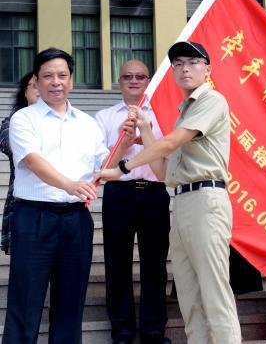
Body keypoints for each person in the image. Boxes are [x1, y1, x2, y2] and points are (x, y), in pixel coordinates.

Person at [96, 41, 242, 344]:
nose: (184, 68)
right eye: (178, 64)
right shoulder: (182, 112)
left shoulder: (211, 100)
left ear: (208, 69)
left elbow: (172, 143)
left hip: (206, 200)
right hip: (183, 201)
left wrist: (121, 168)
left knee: (214, 293)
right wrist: (147, 131)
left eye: (192, 62)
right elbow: (164, 173)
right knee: (189, 294)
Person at [2, 48, 109, 343]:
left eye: (62, 75)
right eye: (47, 76)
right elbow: (32, 160)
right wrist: (68, 184)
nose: (55, 81)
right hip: (33, 218)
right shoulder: (24, 119)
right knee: (25, 302)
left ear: (71, 80)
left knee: (70, 304)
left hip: (76, 220)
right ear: (36, 81)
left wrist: (126, 143)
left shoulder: (88, 124)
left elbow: (105, 166)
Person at [94, 60, 171, 344]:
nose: (134, 81)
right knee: (117, 265)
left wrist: (145, 135)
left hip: (153, 193)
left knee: (155, 265)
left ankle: (153, 331)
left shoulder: (163, 116)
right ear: (119, 81)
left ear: (149, 80)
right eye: (128, 76)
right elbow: (102, 166)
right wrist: (124, 142)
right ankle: (123, 331)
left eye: (140, 76)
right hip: (118, 193)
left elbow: (165, 164)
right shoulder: (103, 117)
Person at [0, 73, 40, 255]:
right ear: (25, 92)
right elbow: (12, 147)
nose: (41, 89)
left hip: (62, 203)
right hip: (23, 203)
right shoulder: (11, 123)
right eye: (34, 85)